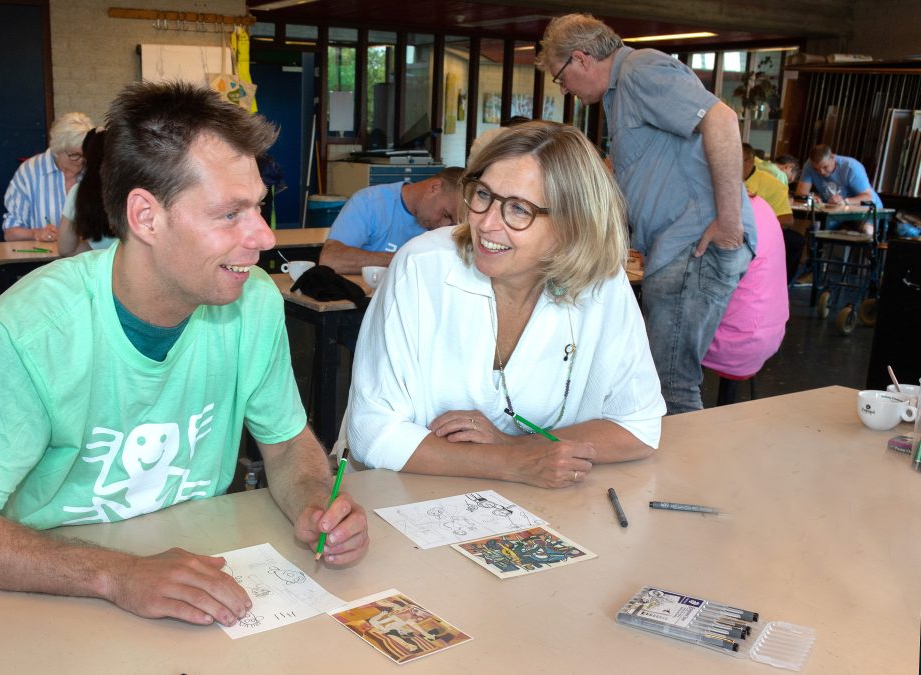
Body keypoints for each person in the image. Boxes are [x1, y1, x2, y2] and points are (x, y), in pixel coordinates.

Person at [0, 81, 369, 627]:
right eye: (230, 213)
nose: (265, 237)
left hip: (198, 571)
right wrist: (118, 575)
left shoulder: (253, 303)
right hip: (52, 584)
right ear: (146, 217)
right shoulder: (32, 329)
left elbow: (287, 445)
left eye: (258, 207)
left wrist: (315, 504)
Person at [348, 121, 665, 488]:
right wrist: (513, 461)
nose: (485, 224)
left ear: (571, 224)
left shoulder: (602, 282)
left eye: (518, 209)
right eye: (483, 195)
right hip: (405, 497)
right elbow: (371, 432)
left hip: (543, 508)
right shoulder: (421, 267)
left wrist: (516, 446)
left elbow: (638, 426)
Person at [538, 14, 755, 415]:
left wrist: (729, 222)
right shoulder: (619, 93)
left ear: (582, 59)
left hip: (694, 242)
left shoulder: (640, 70)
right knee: (660, 379)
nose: (564, 88)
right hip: (675, 246)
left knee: (669, 384)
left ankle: (683, 479)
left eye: (560, 76)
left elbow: (721, 120)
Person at [702, 195, 789, 381]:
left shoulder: (724, 214)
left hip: (732, 343)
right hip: (769, 334)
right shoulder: (762, 205)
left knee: (648, 325)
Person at [317, 167, 464, 275]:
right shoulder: (369, 203)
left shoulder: (448, 228)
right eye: (446, 214)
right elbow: (331, 259)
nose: (444, 226)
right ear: (434, 188)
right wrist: (406, 258)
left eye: (452, 224)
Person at [2, 112, 93, 242]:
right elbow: (10, 233)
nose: (82, 161)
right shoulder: (30, 172)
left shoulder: (93, 171)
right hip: (45, 259)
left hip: (86, 258)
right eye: (75, 155)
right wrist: (35, 233)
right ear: (57, 149)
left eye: (86, 154)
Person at [743, 144, 803, 281]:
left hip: (757, 234)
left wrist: (760, 224)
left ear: (749, 162)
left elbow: (787, 220)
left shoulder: (772, 182)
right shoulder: (721, 177)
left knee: (795, 241)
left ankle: (782, 282)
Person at [796, 144, 883, 234]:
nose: (821, 172)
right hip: (835, 209)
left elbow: (868, 197)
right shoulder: (809, 165)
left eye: (825, 167)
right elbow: (801, 193)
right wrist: (812, 198)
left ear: (832, 157)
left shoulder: (851, 167)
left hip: (864, 208)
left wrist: (845, 201)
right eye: (816, 169)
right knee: (815, 228)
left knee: (867, 231)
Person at [57, 128, 116, 257]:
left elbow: (65, 249)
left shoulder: (78, 192)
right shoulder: (142, 188)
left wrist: (94, 250)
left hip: (100, 269)